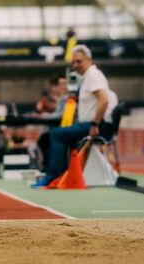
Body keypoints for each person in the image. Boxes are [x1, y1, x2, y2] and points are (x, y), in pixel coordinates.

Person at [33, 45, 115, 187]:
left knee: (57, 134)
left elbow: (104, 99)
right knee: (56, 135)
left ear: (88, 59)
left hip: (96, 126)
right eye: (73, 62)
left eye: (79, 61)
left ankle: (54, 176)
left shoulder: (93, 75)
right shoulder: (86, 77)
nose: (75, 65)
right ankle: (63, 174)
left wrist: (95, 124)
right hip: (89, 124)